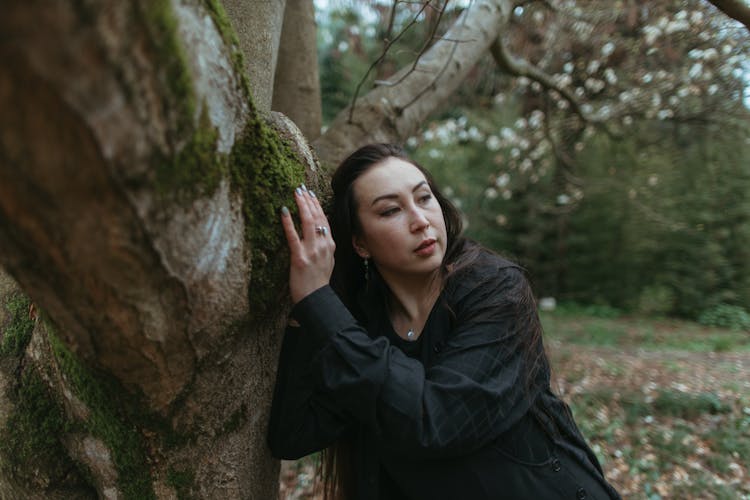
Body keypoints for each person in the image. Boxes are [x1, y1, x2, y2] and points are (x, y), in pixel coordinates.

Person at [268, 143, 620, 500]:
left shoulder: (496, 290)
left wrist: (320, 306)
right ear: (360, 243)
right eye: (391, 210)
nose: (420, 220)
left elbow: (438, 420)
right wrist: (307, 308)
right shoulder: (362, 321)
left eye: (423, 198)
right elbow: (295, 433)